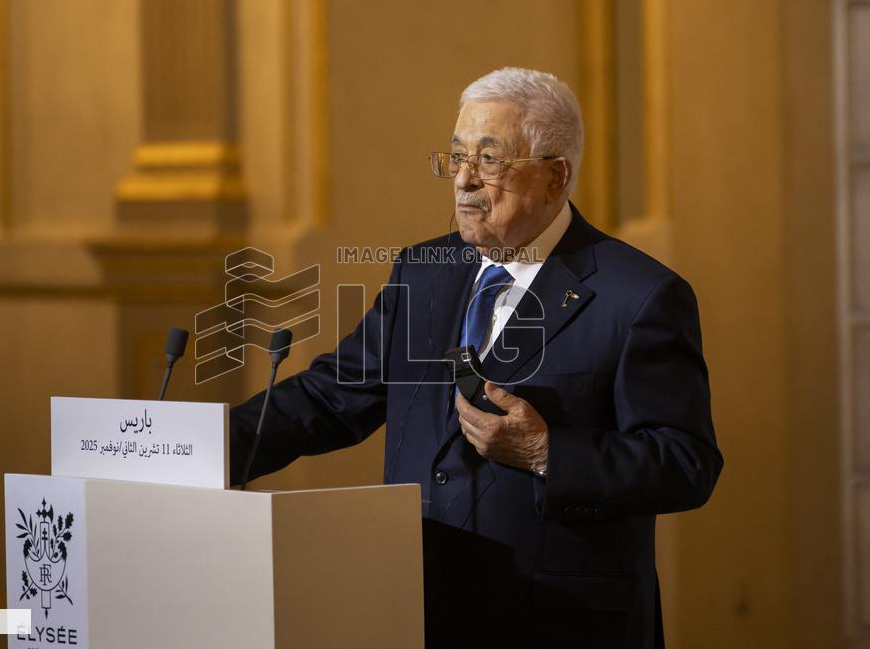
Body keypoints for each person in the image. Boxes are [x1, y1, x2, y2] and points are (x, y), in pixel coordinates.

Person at [230, 68, 722, 648]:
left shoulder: (637, 295)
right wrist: (199, 450)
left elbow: (686, 463)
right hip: (418, 609)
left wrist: (547, 453)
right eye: (455, 157)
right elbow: (331, 396)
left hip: (560, 622)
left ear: (554, 177)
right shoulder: (423, 270)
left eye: (489, 161)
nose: (463, 181)